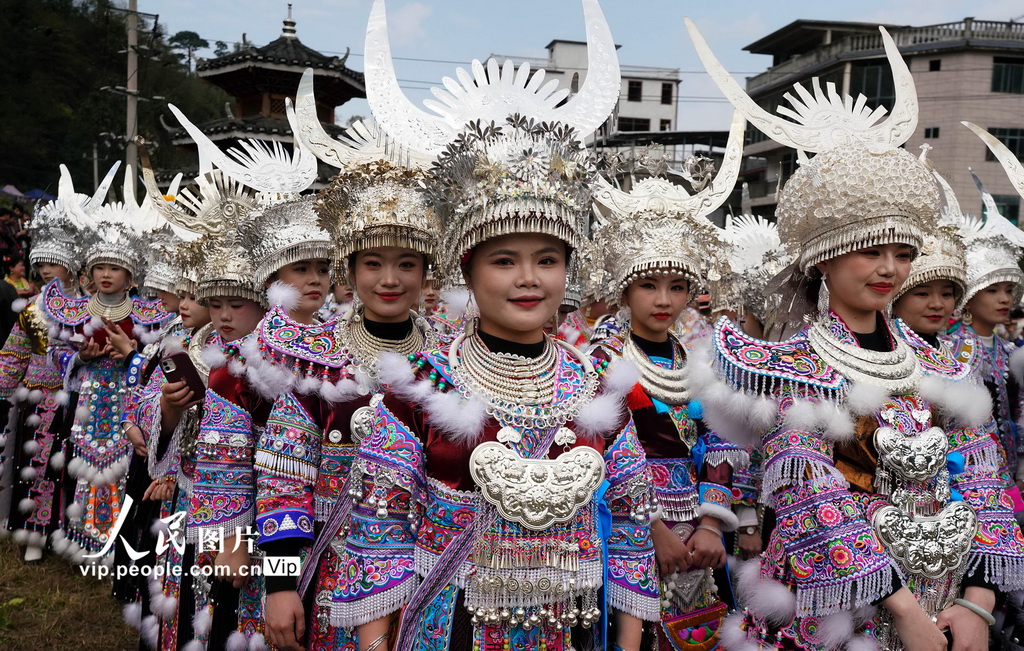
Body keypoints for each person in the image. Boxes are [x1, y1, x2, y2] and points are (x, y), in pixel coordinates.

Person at [689, 20, 1024, 649]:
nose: (890, 269)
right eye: (870, 251)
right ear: (824, 256)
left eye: (902, 252)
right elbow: (815, 500)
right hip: (838, 613)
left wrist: (977, 603)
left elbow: (984, 477)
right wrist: (902, 609)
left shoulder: (936, 363)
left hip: (946, 602)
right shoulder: (790, 367)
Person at [334, 3, 659, 648]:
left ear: (570, 272)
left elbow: (627, 529)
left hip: (576, 629)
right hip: (448, 626)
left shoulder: (598, 383)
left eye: (547, 260)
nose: (528, 279)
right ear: (467, 272)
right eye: (505, 261)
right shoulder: (421, 383)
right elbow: (381, 531)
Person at [257, 79, 442, 649]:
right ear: (349, 270)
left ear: (426, 271)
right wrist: (280, 582)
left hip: (431, 572)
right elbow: (284, 474)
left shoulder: (454, 356)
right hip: (333, 565)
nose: (390, 280)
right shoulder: (316, 355)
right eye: (374, 264)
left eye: (406, 263)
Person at [585, 117, 748, 650]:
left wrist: (710, 521)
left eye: (677, 286)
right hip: (625, 530)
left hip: (698, 532)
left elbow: (720, 439)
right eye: (648, 285)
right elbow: (595, 454)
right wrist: (649, 530)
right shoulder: (595, 360)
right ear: (623, 289)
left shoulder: (700, 358)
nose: (664, 300)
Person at [42, 165, 172, 560]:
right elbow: (54, 352)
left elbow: (157, 359)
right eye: (98, 268)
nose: (105, 275)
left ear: (130, 275)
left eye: (113, 268)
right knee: (83, 462)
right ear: (89, 271)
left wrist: (132, 354)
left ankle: (118, 540)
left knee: (123, 464)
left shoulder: (150, 313)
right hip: (88, 399)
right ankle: (82, 535)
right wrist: (79, 356)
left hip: (128, 401)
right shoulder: (76, 309)